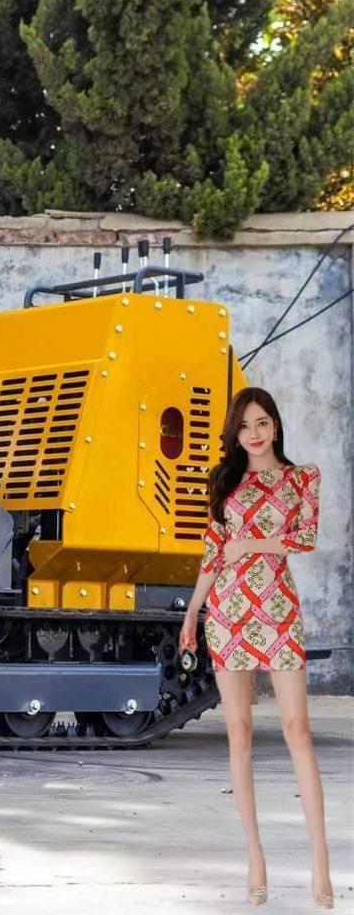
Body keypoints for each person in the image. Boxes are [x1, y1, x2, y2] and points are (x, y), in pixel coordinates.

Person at [178, 386, 333, 909]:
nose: (254, 434)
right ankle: (255, 857)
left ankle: (320, 863)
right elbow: (212, 552)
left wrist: (252, 543)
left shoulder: (301, 478)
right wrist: (193, 610)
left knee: (297, 730)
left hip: (279, 611)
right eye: (244, 427)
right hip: (228, 612)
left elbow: (306, 538)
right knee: (239, 732)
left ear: (275, 425)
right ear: (235, 434)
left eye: (262, 422)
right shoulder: (224, 482)